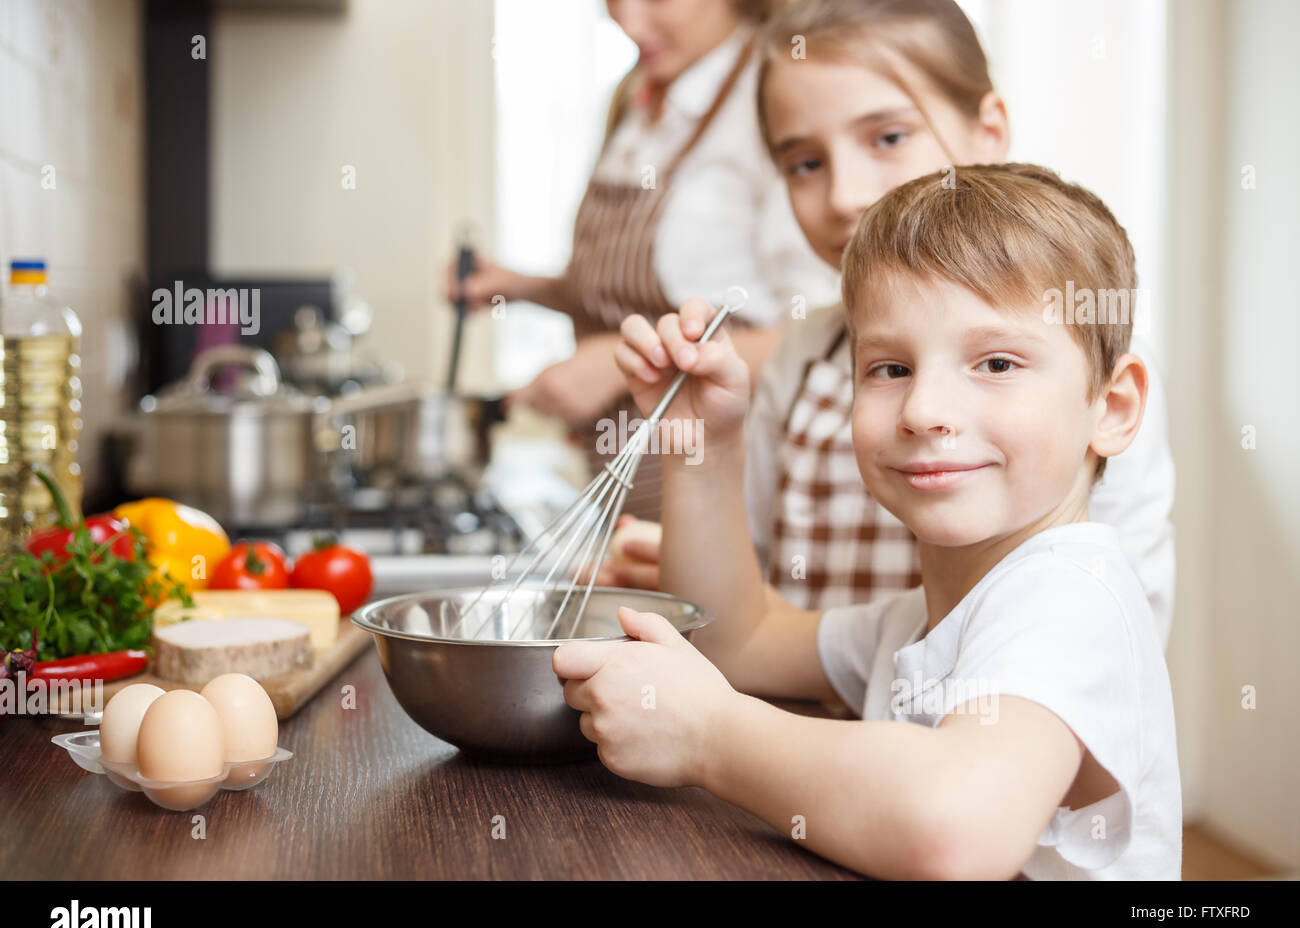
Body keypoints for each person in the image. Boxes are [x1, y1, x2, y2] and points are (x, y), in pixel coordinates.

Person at [557, 164, 1182, 880]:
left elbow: (958, 829)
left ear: (1113, 407)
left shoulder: (1072, 596)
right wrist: (705, 449)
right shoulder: (919, 618)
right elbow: (736, 642)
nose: (923, 411)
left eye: (997, 362)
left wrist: (711, 736)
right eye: (890, 369)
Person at [599, 0, 1176, 649]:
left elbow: (1116, 633)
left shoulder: (1082, 357)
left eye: (888, 137)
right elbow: (739, 612)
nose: (845, 194)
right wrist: (692, 542)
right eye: (805, 163)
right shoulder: (805, 355)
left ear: (987, 132)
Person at [448, 0, 837, 519]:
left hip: (737, 504)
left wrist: (617, 364)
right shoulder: (638, 95)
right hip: (626, 496)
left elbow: (828, 337)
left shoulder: (774, 97)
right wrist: (524, 287)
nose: (627, 21)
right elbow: (636, 293)